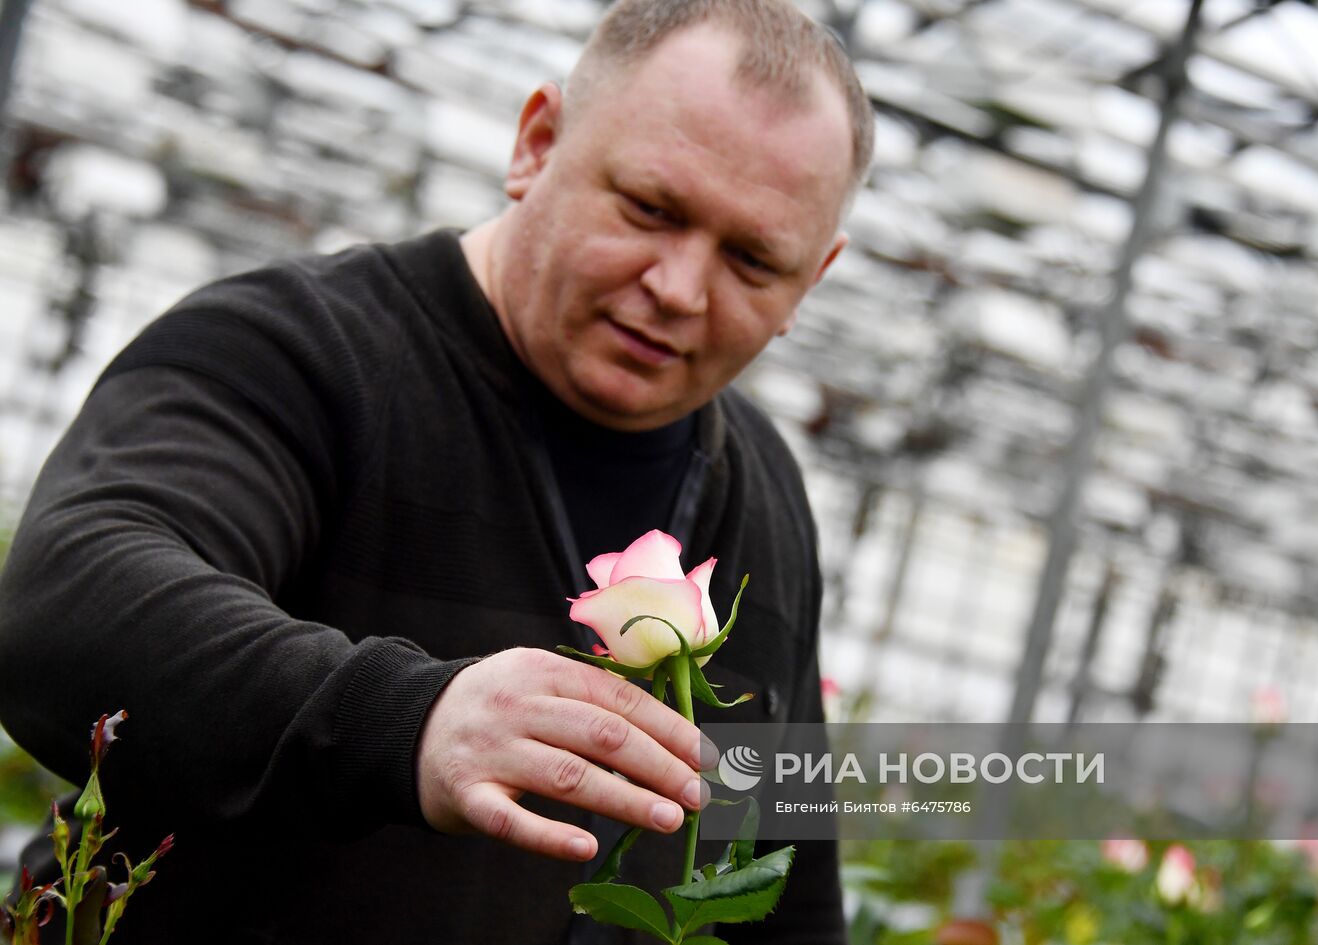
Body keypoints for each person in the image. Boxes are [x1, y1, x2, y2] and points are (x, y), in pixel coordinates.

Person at [0, 0, 874, 941]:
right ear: (537, 144)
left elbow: (787, 864)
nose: (679, 288)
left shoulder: (766, 493)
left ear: (811, 281)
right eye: (650, 208)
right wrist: (410, 722)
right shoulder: (299, 351)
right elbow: (69, 598)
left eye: (752, 259)